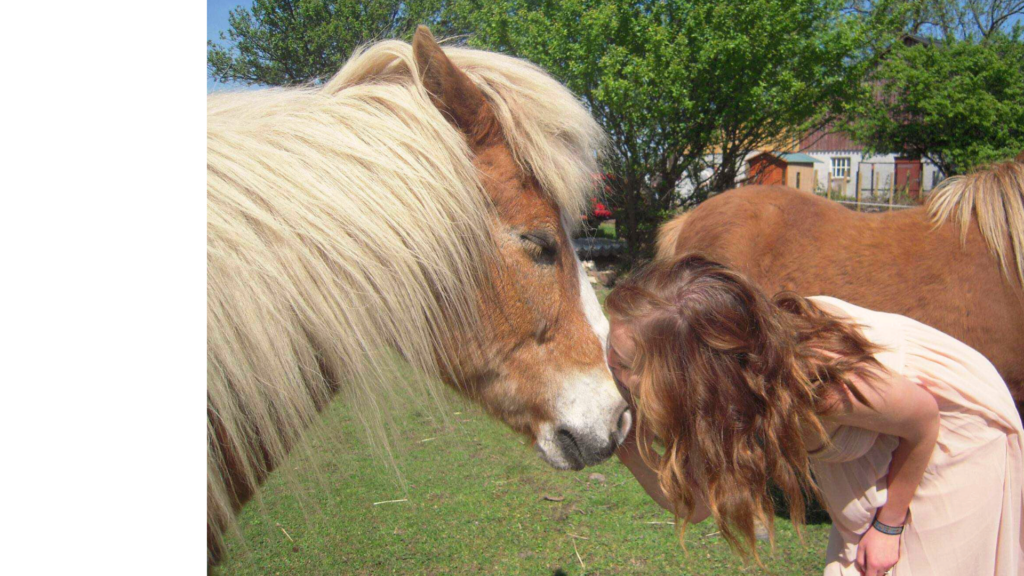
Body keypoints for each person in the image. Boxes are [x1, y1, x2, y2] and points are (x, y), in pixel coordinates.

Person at [605, 254, 1023, 575]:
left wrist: (889, 525)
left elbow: (923, 419)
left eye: (623, 361)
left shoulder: (821, 383)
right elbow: (696, 505)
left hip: (951, 433)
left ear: (688, 375)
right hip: (886, 430)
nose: (611, 369)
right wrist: (622, 441)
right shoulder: (722, 393)